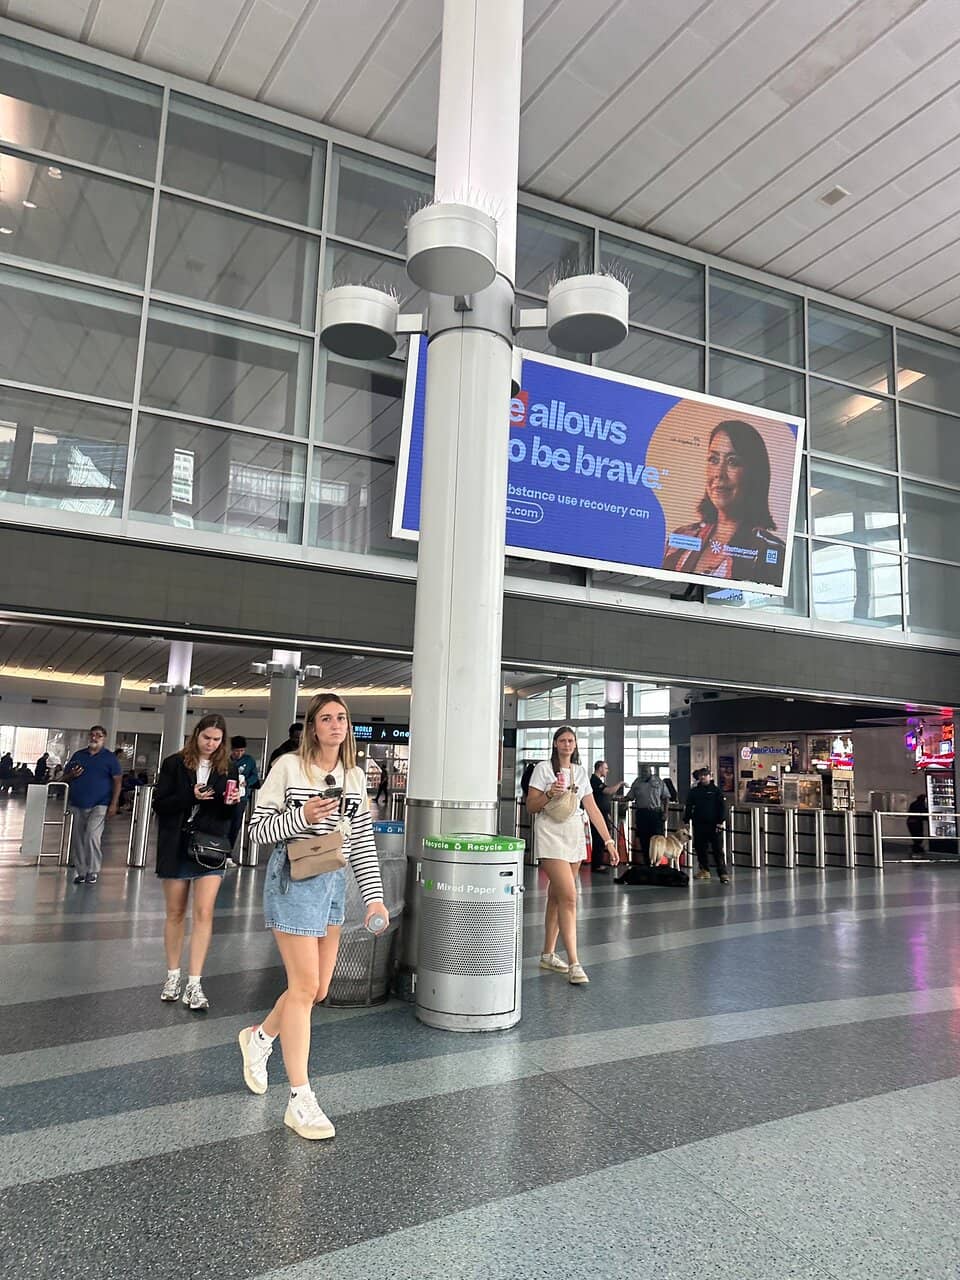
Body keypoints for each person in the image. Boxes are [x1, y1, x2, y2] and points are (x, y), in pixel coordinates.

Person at [237, 693, 388, 1141]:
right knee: (303, 988)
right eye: (327, 718)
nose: (336, 725)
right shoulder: (287, 768)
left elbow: (360, 842)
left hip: (332, 884)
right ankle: (300, 1098)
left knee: (318, 989)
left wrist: (374, 899)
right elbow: (257, 831)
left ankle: (260, 1039)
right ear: (312, 727)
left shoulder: (354, 776)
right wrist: (301, 816)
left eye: (342, 717)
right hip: (294, 880)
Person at [152, 713, 239, 1011]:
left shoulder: (229, 768)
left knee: (204, 912)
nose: (211, 744)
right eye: (207, 738)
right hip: (177, 845)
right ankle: (172, 976)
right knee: (175, 912)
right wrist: (190, 796)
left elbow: (231, 816)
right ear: (196, 734)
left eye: (217, 740)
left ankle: (195, 983)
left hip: (211, 847)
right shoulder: (175, 763)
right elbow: (160, 804)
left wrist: (230, 804)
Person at [525, 727, 619, 986]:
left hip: (574, 835)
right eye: (562, 740)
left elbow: (593, 809)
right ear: (555, 744)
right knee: (569, 896)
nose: (567, 744)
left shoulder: (580, 772)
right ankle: (575, 963)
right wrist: (549, 793)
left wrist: (609, 841)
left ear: (575, 745)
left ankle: (548, 954)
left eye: (571, 740)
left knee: (556, 897)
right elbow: (531, 806)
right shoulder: (543, 769)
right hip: (550, 835)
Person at [663, 419, 787, 586]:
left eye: (732, 462)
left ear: (754, 473)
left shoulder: (771, 550)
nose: (719, 474)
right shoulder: (681, 537)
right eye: (713, 460)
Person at [62, 726, 122, 886]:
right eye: (92, 735)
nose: (95, 738)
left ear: (104, 738)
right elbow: (64, 777)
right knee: (78, 839)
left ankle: (93, 870)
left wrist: (114, 803)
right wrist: (71, 775)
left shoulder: (109, 758)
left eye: (99, 735)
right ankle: (82, 872)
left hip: (100, 804)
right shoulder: (78, 756)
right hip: (78, 803)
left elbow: (117, 780)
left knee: (91, 836)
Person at [685, 766, 729, 883]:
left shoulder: (716, 791)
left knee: (717, 849)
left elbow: (722, 807)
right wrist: (686, 820)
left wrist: (720, 822)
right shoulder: (694, 791)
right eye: (701, 775)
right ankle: (704, 870)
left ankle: (722, 873)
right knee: (700, 848)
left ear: (710, 776)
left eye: (705, 775)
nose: (703, 777)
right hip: (699, 824)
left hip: (714, 825)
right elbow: (689, 806)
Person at [625, 764, 667, 864]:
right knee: (644, 839)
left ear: (650, 772)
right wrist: (621, 800)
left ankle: (658, 862)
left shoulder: (658, 782)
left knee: (657, 839)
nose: (644, 773)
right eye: (642, 771)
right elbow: (630, 796)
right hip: (642, 814)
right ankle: (647, 863)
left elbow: (666, 797)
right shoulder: (637, 782)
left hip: (655, 813)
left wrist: (665, 812)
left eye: (646, 771)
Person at [589, 760, 623, 873]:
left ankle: (599, 862)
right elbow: (608, 791)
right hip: (597, 814)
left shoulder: (598, 781)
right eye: (606, 768)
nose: (607, 771)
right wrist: (620, 784)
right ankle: (597, 864)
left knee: (601, 839)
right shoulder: (594, 780)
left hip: (603, 813)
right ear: (599, 768)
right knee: (598, 839)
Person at [229, 735, 261, 845]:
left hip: (241, 797)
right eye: (236, 751)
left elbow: (254, 776)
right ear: (232, 750)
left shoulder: (249, 760)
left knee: (236, 824)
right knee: (224, 823)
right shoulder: (226, 760)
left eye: (241, 751)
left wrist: (247, 782)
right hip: (226, 796)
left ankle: (229, 851)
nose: (239, 754)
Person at [906, 793, 927, 857]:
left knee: (915, 837)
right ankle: (916, 850)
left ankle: (915, 849)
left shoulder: (913, 804)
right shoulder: (921, 805)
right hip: (916, 822)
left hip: (910, 822)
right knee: (919, 836)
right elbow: (923, 813)